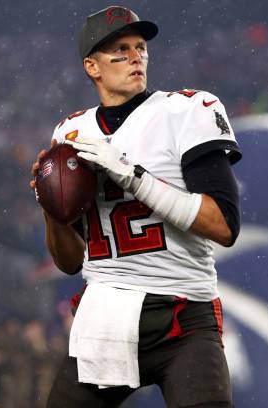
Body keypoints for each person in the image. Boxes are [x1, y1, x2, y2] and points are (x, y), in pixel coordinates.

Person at [29, 6, 241, 408]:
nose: (135, 57)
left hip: (182, 311)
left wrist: (130, 174)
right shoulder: (71, 133)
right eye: (119, 51)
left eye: (140, 47)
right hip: (104, 314)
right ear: (92, 67)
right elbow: (70, 262)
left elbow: (224, 226)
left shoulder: (187, 111)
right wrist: (49, 208)